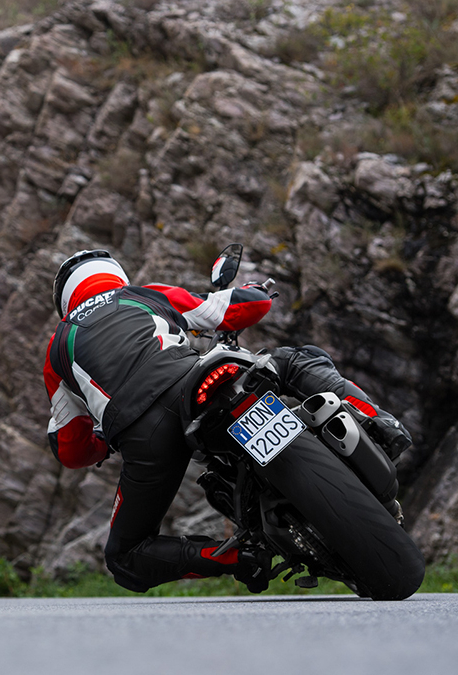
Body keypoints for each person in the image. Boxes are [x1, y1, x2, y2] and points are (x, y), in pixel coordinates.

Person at [43, 249, 412, 593]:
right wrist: (254, 291)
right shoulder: (145, 295)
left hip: (145, 435)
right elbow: (236, 308)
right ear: (114, 275)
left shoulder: (58, 345)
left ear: (65, 300)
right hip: (191, 384)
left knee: (125, 557)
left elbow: (70, 448)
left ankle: (237, 557)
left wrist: (103, 441)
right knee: (296, 360)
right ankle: (376, 419)